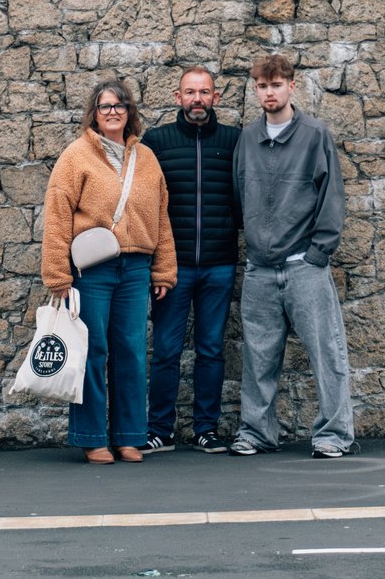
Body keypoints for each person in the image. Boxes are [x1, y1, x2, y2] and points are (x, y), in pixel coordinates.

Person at [41, 78, 176, 463]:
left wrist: (164, 270)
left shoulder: (147, 159)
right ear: (94, 115)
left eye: (120, 106)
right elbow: (57, 215)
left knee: (132, 351)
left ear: (130, 113)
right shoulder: (76, 156)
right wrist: (57, 276)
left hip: (136, 268)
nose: (113, 112)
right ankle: (92, 437)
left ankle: (129, 436)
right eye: (105, 107)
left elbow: (160, 216)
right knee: (93, 351)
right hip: (93, 271)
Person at [230, 51, 356, 458]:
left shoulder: (315, 135)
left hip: (304, 266)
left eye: (276, 85)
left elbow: (331, 198)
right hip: (260, 271)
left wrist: (317, 254)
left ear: (291, 86)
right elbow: (238, 194)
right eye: (263, 86)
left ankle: (334, 435)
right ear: (257, 90)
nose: (269, 92)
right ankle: (256, 432)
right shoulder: (247, 138)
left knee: (326, 354)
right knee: (258, 359)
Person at [141, 65, 242, 454]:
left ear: (216, 98)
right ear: (177, 97)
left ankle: (206, 429)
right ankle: (159, 430)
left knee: (211, 349)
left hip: (219, 264)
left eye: (204, 92)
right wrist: (156, 261)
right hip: (172, 267)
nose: (197, 99)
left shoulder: (234, 140)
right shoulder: (157, 141)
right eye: (190, 92)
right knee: (165, 350)